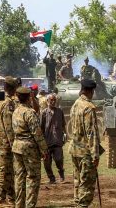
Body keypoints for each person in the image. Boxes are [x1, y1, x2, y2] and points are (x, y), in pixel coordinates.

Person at [12, 87, 48, 208]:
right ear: (29, 97)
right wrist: (44, 149)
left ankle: (19, 205)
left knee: (19, 178)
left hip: (17, 147)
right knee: (32, 178)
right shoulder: (29, 112)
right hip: (29, 148)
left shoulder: (16, 111)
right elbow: (37, 133)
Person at [69, 79, 102, 207]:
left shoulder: (75, 104)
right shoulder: (88, 107)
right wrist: (95, 155)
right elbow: (91, 132)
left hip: (75, 149)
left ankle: (78, 204)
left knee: (78, 181)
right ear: (91, 91)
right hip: (85, 152)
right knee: (87, 184)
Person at [0, 77, 18, 208]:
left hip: (1, 143)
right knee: (5, 172)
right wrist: (14, 144)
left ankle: (10, 199)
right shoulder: (8, 104)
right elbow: (9, 128)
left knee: (9, 172)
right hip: (7, 144)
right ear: (13, 88)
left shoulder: (0, 103)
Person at [40, 94, 66, 184]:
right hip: (47, 141)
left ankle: (61, 173)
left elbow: (63, 125)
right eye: (51, 100)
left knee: (59, 159)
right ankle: (51, 178)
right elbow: (41, 127)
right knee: (47, 162)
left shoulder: (60, 111)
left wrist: (64, 135)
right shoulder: (44, 113)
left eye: (54, 100)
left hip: (57, 140)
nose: (53, 101)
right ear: (47, 101)